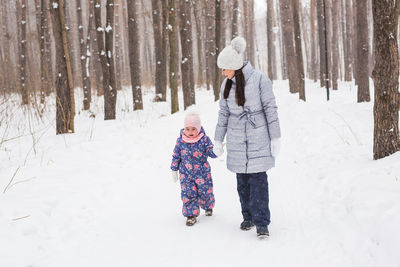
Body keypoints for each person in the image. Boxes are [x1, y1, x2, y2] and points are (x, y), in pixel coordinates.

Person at [213, 36, 281, 238]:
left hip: (258, 136)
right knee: (242, 182)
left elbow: (270, 109)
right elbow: (223, 114)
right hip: (236, 139)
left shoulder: (260, 79)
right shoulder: (226, 84)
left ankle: (262, 223)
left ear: (234, 65)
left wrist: (275, 137)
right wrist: (218, 139)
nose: (223, 72)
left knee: (258, 180)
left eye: (225, 68)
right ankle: (248, 217)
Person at [171, 111, 222, 226]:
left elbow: (210, 151)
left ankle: (208, 206)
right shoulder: (180, 141)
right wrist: (174, 169)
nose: (190, 132)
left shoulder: (203, 140)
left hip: (202, 173)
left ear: (198, 128)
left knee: (205, 192)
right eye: (187, 129)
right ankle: (191, 214)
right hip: (185, 174)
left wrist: (216, 151)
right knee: (188, 194)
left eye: (193, 129)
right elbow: (176, 156)